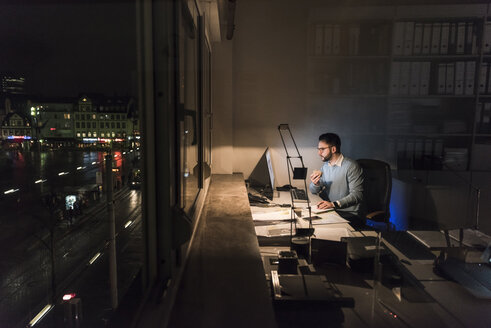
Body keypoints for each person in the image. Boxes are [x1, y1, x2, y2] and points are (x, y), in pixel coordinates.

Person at [309, 133, 364, 225]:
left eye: (322, 149)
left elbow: (357, 195)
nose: (319, 153)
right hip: (333, 210)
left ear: (333, 149)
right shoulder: (326, 166)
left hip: (349, 214)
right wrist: (316, 184)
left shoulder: (351, 166)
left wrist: (334, 204)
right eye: (318, 149)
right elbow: (313, 191)